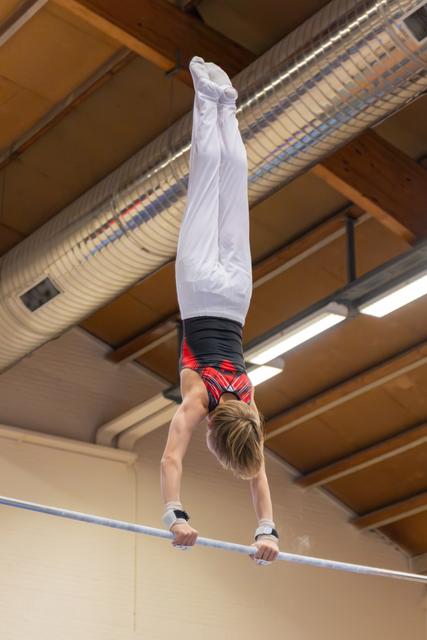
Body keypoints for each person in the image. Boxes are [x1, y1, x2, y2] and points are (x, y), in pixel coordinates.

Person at [160, 57, 279, 566]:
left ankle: (228, 105)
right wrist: (176, 517)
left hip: (236, 299)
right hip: (200, 295)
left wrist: (268, 531)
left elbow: (259, 480)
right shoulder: (198, 400)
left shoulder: (250, 408)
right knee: (206, 181)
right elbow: (170, 459)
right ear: (214, 431)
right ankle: (206, 97)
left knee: (232, 191)